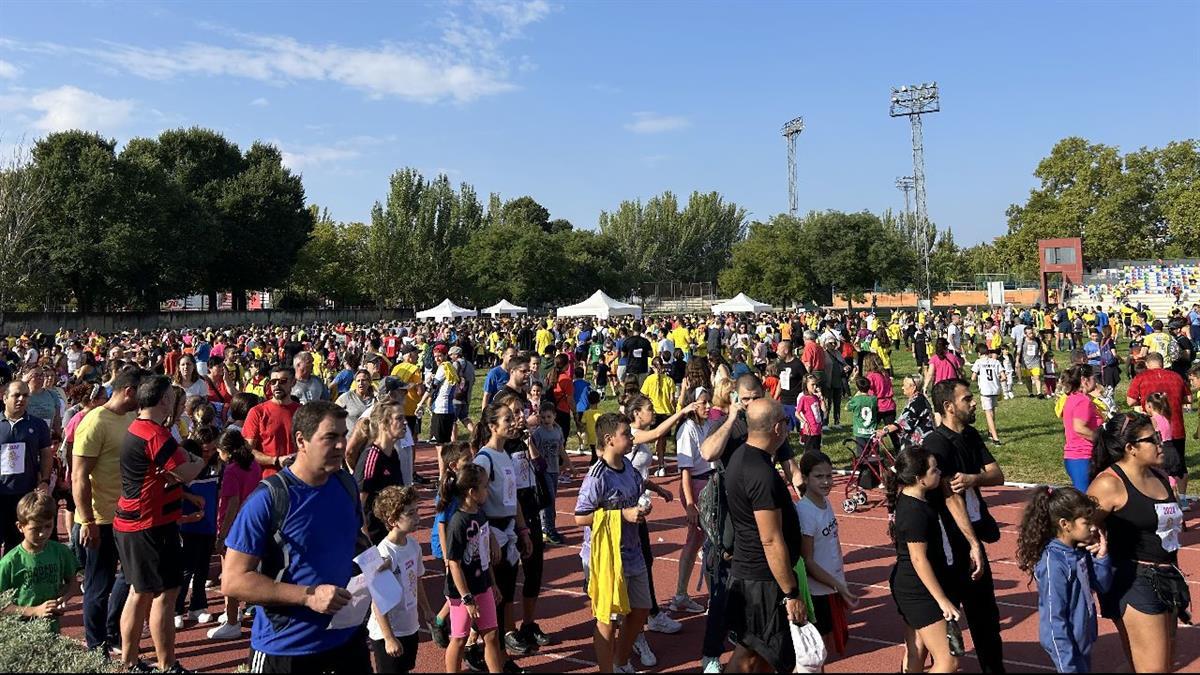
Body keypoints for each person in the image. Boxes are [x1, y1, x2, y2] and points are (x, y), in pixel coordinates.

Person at [222, 401, 371, 673]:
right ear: (301, 440)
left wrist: (376, 564)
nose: (341, 445)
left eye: (343, 435)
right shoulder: (267, 500)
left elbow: (355, 541)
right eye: (330, 437)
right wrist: (308, 596)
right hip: (286, 650)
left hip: (347, 640)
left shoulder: (346, 484)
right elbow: (232, 581)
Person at [113, 374, 206, 672]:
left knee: (139, 592)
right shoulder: (155, 434)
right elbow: (184, 473)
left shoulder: (137, 428)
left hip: (135, 521)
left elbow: (163, 474)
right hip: (149, 525)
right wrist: (204, 457)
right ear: (164, 399)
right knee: (165, 593)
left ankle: (130, 661)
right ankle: (167, 665)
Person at [1087, 412, 1187, 673]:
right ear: (1131, 448)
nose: (1160, 442)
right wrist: (1095, 542)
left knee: (1157, 665)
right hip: (1134, 579)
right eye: (1153, 438)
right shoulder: (1109, 484)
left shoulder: (1159, 475)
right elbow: (1078, 527)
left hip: (1168, 576)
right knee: (1152, 670)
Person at [924, 377, 1006, 673]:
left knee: (986, 618)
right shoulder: (935, 444)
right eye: (967, 399)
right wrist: (972, 544)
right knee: (942, 627)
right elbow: (949, 497)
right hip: (948, 545)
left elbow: (997, 474)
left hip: (974, 536)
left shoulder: (970, 435)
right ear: (948, 407)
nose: (973, 404)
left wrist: (974, 478)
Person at [723, 397, 806, 674]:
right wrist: (791, 592)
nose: (788, 428)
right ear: (777, 429)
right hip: (762, 581)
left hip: (753, 575)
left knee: (760, 656)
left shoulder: (742, 457)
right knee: (752, 656)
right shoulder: (761, 473)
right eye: (786, 422)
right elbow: (770, 538)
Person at [574, 412, 655, 674]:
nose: (631, 438)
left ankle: (621, 662)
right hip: (606, 557)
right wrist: (621, 515)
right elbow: (579, 517)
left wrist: (655, 491)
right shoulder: (597, 476)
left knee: (641, 609)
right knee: (607, 620)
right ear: (609, 440)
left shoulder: (627, 465)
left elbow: (635, 484)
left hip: (632, 551)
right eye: (626, 435)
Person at [73, 366, 146, 653]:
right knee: (98, 584)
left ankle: (111, 632)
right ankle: (95, 646)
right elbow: (79, 475)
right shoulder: (95, 422)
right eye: (140, 393)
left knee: (129, 578)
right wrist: (88, 521)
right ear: (129, 391)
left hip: (127, 514)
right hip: (100, 518)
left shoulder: (130, 417)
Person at [1015, 486, 1113, 673]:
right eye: (1086, 522)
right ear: (1065, 524)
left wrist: (1101, 557)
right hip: (1067, 645)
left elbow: (1102, 585)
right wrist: (1067, 665)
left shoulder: (1079, 552)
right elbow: (1053, 619)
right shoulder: (1054, 564)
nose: (1093, 527)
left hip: (1082, 638)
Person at [887, 445, 961, 673]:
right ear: (919, 478)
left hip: (912, 585)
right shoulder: (914, 512)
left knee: (917, 649)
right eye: (934, 470)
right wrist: (942, 600)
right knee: (949, 661)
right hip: (918, 591)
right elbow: (919, 560)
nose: (939, 473)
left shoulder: (915, 499)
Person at [796, 451, 860, 662]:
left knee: (824, 649)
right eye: (819, 476)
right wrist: (838, 586)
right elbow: (808, 560)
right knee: (816, 653)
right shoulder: (805, 512)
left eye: (829, 476)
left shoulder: (826, 503)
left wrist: (840, 582)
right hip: (818, 592)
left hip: (831, 586)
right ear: (805, 478)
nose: (826, 481)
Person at [443, 462, 505, 673]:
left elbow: (484, 556)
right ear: (472, 492)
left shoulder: (480, 514)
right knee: (459, 639)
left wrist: (492, 583)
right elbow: (454, 564)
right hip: (463, 592)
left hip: (483, 585)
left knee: (491, 634)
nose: (488, 490)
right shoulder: (458, 522)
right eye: (485, 486)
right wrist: (466, 598)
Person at [367, 486, 433, 675]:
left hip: (409, 625)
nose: (418, 518)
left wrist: (426, 610)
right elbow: (378, 601)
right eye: (410, 513)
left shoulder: (413, 546)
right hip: (387, 632)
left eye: (417, 511)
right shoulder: (384, 553)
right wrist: (388, 637)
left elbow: (417, 580)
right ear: (392, 520)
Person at [208, 429, 261, 641]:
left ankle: (232, 621)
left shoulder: (231, 470)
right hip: (252, 525)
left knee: (229, 576)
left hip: (235, 528)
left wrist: (222, 535)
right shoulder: (254, 465)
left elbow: (231, 503)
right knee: (251, 572)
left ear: (226, 451)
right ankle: (237, 612)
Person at [0, 491, 79, 632]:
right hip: (20, 634)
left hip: (52, 630)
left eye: (48, 526)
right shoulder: (10, 562)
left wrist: (63, 598)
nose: (43, 533)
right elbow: (2, 606)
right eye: (35, 529)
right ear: (20, 527)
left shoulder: (60, 552)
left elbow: (73, 584)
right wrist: (35, 610)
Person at [668, 386, 712, 617]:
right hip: (696, 486)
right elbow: (686, 470)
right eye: (703, 402)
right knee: (697, 542)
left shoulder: (707, 425)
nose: (708, 406)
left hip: (709, 484)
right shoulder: (687, 430)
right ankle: (681, 594)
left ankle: (682, 595)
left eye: (709, 402)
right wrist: (689, 504)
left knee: (700, 542)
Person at [1126, 353, 1191, 506]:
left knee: (1153, 466)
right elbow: (1188, 398)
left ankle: (1159, 497)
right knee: (1179, 464)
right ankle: (1182, 498)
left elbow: (1130, 400)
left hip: (1153, 432)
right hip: (1176, 426)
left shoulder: (1141, 377)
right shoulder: (1176, 376)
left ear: (1148, 364)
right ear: (1162, 363)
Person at [175, 429, 222, 629]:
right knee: (186, 569)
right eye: (204, 450)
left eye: (212, 449)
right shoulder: (186, 467)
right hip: (189, 524)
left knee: (203, 568)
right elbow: (175, 488)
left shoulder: (218, 465)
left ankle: (198, 606)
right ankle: (177, 609)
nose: (209, 453)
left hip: (209, 525)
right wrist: (190, 498)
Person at [0, 380, 53, 553]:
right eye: (16, 395)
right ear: (4, 397)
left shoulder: (37, 424)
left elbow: (46, 453)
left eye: (25, 395)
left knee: (19, 544)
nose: (21, 399)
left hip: (25, 494)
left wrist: (44, 480)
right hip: (1, 492)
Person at [354, 401, 408, 544]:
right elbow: (357, 506)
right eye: (399, 418)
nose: (405, 422)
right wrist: (368, 544)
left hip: (390, 534)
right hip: (374, 537)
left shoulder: (393, 454)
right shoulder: (371, 457)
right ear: (383, 424)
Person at [243, 365, 300, 478]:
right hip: (268, 481)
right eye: (273, 382)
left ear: (293, 382)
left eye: (283, 381)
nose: (277, 385)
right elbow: (247, 450)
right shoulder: (257, 412)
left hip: (298, 478)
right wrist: (275, 460)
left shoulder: (302, 412)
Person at [530, 402, 568, 546]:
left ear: (554, 417)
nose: (546, 420)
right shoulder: (538, 433)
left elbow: (561, 448)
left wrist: (568, 464)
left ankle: (549, 527)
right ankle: (548, 529)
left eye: (549, 417)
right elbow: (533, 450)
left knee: (552, 499)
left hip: (554, 470)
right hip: (543, 470)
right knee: (549, 500)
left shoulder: (558, 430)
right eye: (543, 417)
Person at [1060, 365, 1102, 492]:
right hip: (1083, 456)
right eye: (1093, 378)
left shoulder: (1072, 398)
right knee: (1085, 500)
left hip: (1075, 456)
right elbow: (1079, 428)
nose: (1096, 381)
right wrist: (1101, 439)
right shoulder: (1083, 401)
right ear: (1085, 380)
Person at [640, 357, 677, 477]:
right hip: (666, 413)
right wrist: (674, 409)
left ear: (652, 367)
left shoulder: (648, 380)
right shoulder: (669, 380)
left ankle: (660, 464)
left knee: (657, 438)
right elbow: (672, 399)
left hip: (654, 413)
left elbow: (643, 396)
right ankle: (661, 463)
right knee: (663, 439)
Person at [971, 346, 1006, 445]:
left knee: (988, 413)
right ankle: (990, 432)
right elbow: (1003, 377)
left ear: (979, 353)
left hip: (985, 390)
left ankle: (996, 438)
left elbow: (973, 377)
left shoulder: (978, 362)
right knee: (992, 411)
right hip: (995, 389)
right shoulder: (995, 362)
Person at [847, 377, 878, 456]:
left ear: (858, 388)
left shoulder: (856, 399)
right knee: (874, 452)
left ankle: (863, 466)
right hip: (872, 430)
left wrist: (855, 396)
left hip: (860, 431)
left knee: (862, 453)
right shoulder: (874, 399)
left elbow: (847, 407)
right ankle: (874, 465)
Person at [795, 374, 825, 453]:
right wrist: (804, 422)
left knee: (817, 449)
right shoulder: (803, 398)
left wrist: (821, 397)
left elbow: (824, 409)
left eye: (816, 384)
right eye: (812, 384)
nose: (815, 387)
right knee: (809, 451)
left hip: (817, 428)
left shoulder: (816, 397)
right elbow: (797, 413)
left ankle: (816, 464)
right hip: (809, 430)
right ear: (806, 385)